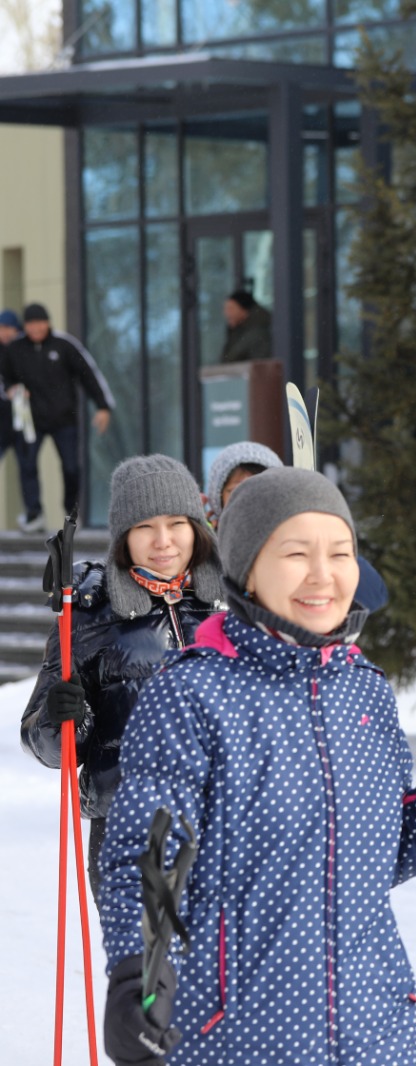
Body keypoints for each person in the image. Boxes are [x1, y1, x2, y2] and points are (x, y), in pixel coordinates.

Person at [96, 466, 416, 1066]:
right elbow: (149, 860)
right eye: (296, 553)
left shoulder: (365, 691)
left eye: (340, 553)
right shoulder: (190, 696)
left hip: (374, 1035)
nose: (323, 574)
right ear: (245, 568)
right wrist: (138, 975)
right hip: (234, 1041)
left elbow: (378, 856)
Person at [18, 455, 226, 904]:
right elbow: (43, 741)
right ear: (123, 537)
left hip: (230, 823)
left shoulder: (233, 605)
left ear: (196, 528)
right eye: (144, 526)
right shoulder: (88, 614)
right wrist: (62, 718)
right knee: (146, 951)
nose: (163, 541)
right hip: (130, 829)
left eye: (176, 523)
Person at [205, 438, 389, 612]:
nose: (251, 500)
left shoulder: (304, 537)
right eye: (237, 491)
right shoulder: (204, 548)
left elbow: (371, 596)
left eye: (263, 490)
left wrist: (318, 531)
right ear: (218, 498)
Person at [0, 302, 115, 530]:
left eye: (40, 323)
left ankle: (71, 512)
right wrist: (12, 389)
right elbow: (5, 378)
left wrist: (103, 406)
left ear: (48, 323)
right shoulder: (14, 349)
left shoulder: (64, 345)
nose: (36, 328)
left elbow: (88, 374)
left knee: (71, 467)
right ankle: (34, 514)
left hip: (64, 420)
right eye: (31, 324)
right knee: (27, 465)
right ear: (25, 326)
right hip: (31, 422)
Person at [0, 307, 43, 526]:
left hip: (23, 420)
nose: (5, 333)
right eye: (2, 328)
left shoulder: (25, 351)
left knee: (27, 466)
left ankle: (34, 514)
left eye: (10, 328)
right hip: (2, 420)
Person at [219, 289, 272, 364]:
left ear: (244, 309)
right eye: (225, 309)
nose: (227, 313)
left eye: (231, 308)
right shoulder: (237, 331)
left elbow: (260, 365)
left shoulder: (259, 332)